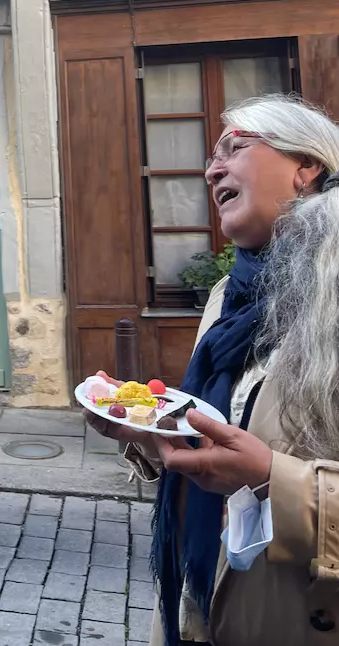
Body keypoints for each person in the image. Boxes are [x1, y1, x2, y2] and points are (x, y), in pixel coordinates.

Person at [85, 94, 339, 646]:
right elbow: (221, 443)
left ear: (306, 166)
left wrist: (273, 481)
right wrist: (151, 430)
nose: (211, 170)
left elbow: (258, 464)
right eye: (210, 158)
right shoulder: (229, 295)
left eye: (233, 148)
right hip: (201, 606)